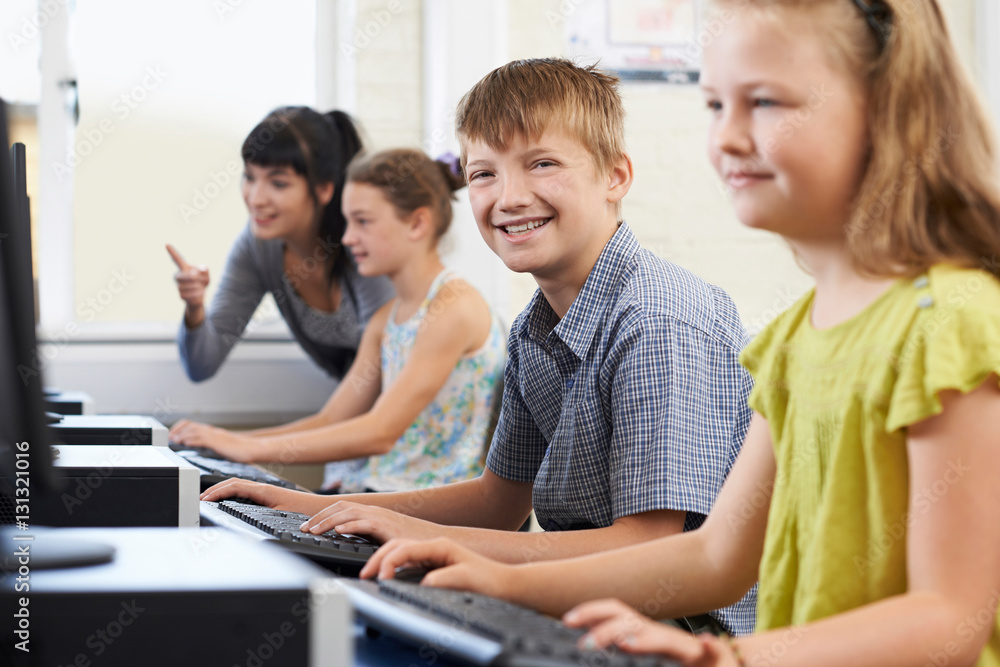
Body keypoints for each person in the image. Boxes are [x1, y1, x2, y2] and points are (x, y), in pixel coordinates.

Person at [360, 0, 1000, 663]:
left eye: (766, 103)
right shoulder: (792, 338)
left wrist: (735, 658)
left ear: (883, 111)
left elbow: (950, 617)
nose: (725, 137)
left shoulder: (950, 323)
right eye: (716, 107)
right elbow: (717, 555)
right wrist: (501, 580)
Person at [202, 58, 757, 635]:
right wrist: (304, 507)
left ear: (615, 176)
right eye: (484, 175)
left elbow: (648, 543)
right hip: (600, 611)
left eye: (541, 164)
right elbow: (499, 501)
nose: (509, 197)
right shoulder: (533, 330)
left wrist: (437, 543)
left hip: (689, 632)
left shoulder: (656, 320)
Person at [171, 149, 505, 493]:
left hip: (425, 513)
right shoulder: (384, 321)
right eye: (347, 222)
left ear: (417, 223)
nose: (347, 238)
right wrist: (229, 441)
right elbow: (332, 419)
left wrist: (250, 449)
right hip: (370, 495)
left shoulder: (453, 306)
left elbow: (381, 432)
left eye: (363, 221)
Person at [167, 106, 394, 383]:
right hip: (360, 413)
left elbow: (391, 371)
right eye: (249, 177)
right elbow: (201, 365)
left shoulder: (362, 242)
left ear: (324, 188)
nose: (256, 198)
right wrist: (194, 307)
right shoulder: (258, 248)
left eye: (278, 183)